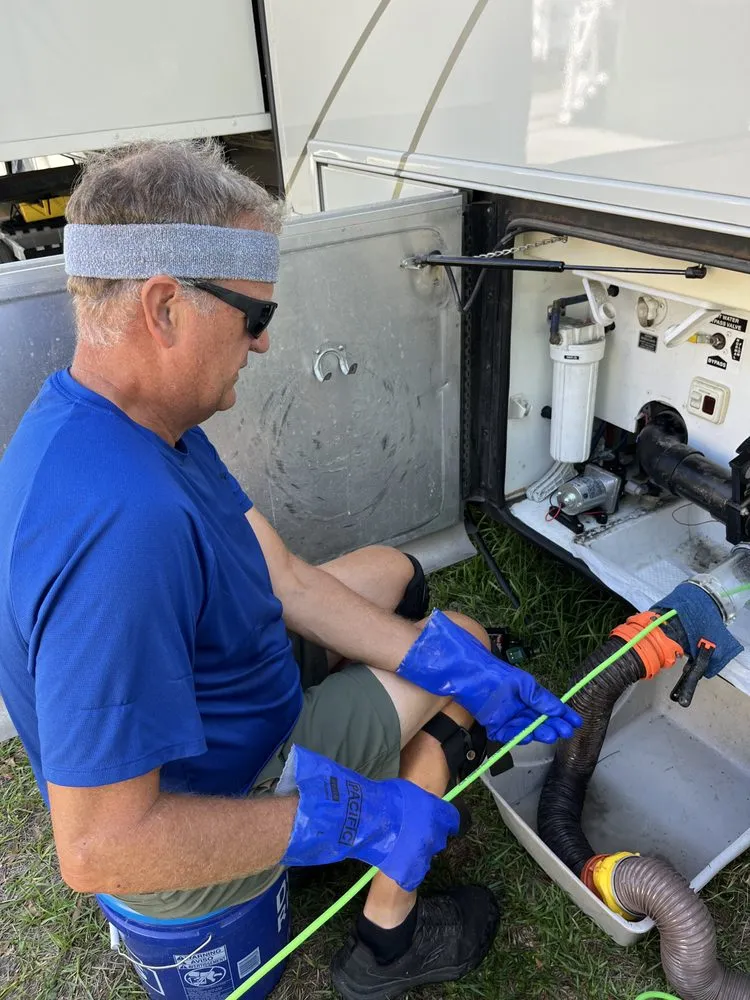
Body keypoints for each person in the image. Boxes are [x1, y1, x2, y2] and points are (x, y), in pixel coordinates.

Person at [0, 140, 580, 1000]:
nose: (264, 346)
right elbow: (101, 848)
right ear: (165, 308)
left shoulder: (115, 425)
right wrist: (361, 815)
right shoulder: (125, 530)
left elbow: (289, 582)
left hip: (222, 691)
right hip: (220, 796)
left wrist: (443, 661)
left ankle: (409, 699)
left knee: (391, 577)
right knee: (448, 635)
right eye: (254, 318)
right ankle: (393, 942)